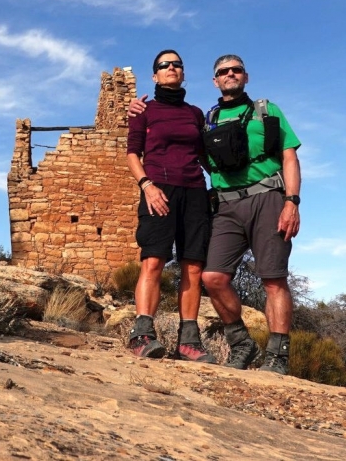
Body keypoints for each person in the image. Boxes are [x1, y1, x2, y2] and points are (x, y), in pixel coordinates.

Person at [130, 53, 302, 375]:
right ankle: (241, 344)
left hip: (264, 197)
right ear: (215, 80)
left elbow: (289, 157)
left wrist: (291, 201)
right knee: (212, 276)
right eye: (223, 71)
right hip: (223, 203)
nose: (230, 75)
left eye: (236, 70)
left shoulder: (264, 111)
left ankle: (277, 356)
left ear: (245, 76)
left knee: (272, 278)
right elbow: (150, 151)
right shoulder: (207, 117)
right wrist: (137, 114)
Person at [124, 49, 216, 363]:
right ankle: (142, 334)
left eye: (177, 64)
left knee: (193, 266)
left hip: (194, 192)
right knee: (153, 261)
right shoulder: (143, 111)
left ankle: (188, 342)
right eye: (165, 65)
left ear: (183, 73)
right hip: (158, 190)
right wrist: (146, 185)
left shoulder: (195, 113)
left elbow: (204, 155)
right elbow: (132, 154)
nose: (172, 68)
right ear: (155, 75)